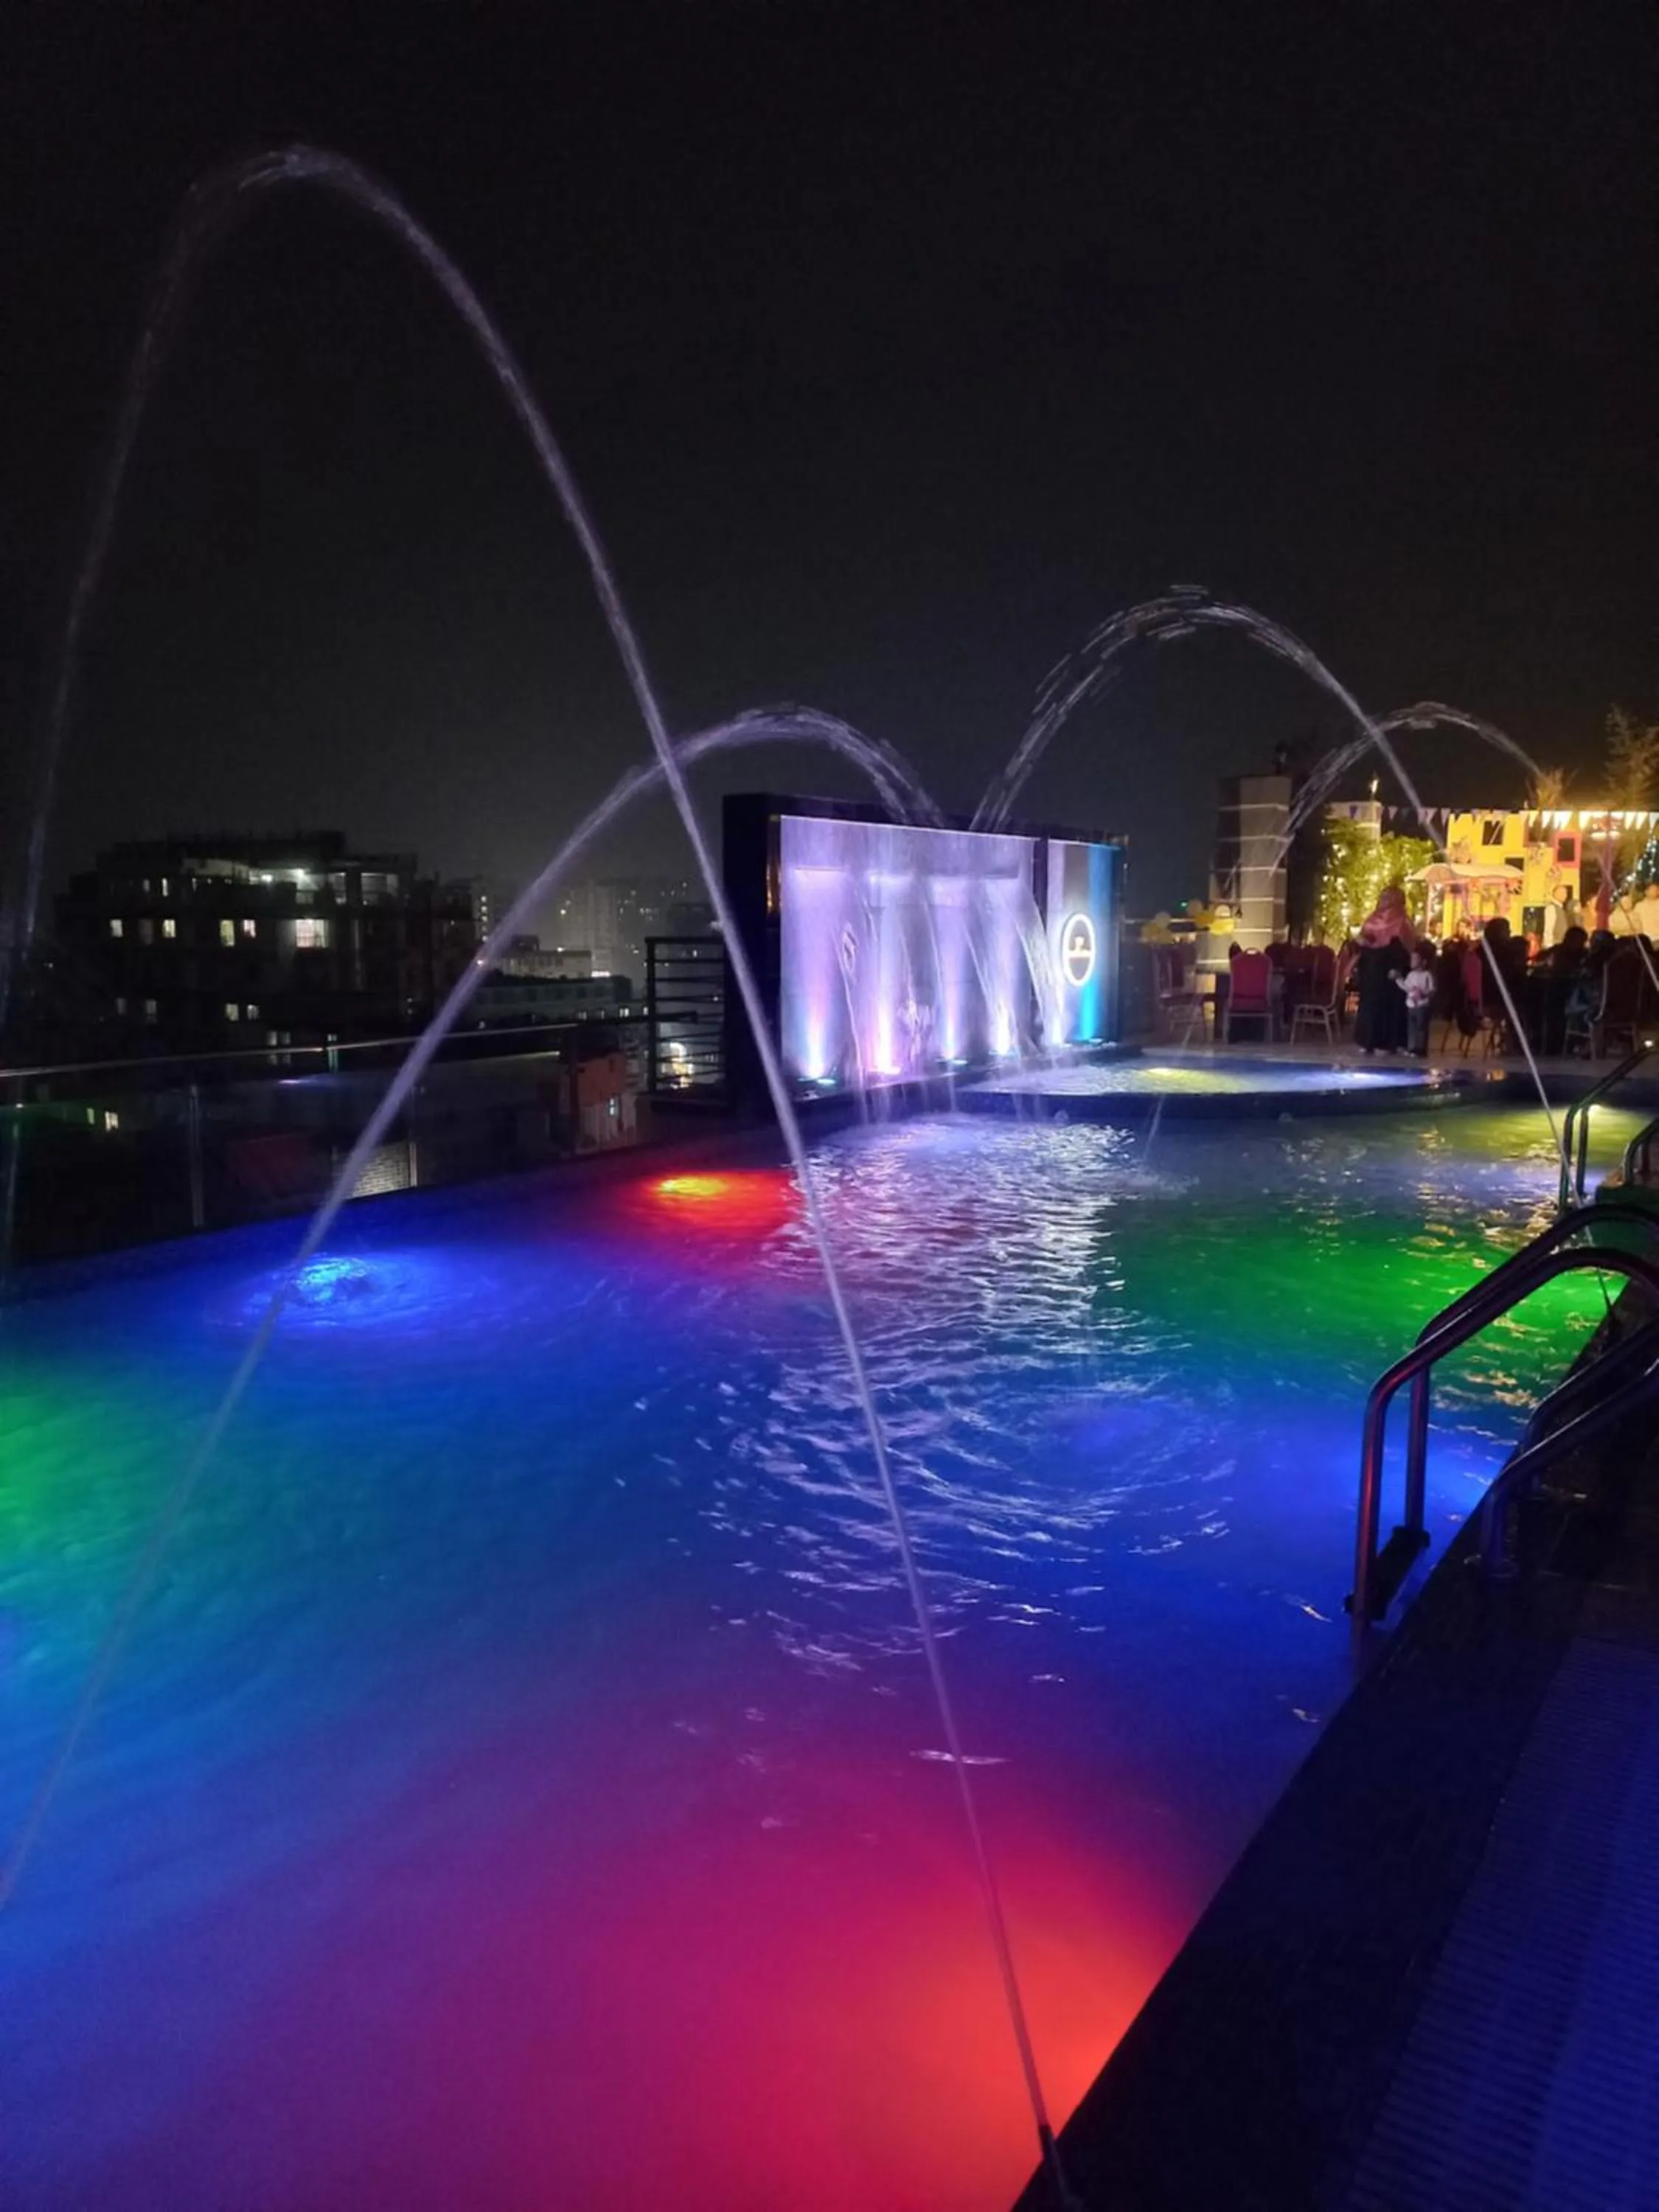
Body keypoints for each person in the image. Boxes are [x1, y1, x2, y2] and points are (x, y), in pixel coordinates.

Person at [1352, 884, 1415, 1053]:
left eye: (1387, 897)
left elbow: (1408, 947)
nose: (1383, 901)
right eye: (1383, 896)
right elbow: (1364, 937)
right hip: (1373, 971)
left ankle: (1386, 1042)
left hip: (1389, 972)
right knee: (1371, 1005)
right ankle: (1369, 1041)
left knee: (1389, 1006)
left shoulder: (1402, 920)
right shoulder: (1374, 918)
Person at [1396, 942, 1436, 1057]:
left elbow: (1432, 989)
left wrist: (1423, 994)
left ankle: (1420, 1048)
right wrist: (1398, 979)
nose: (1412, 961)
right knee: (1411, 1027)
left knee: (1421, 1027)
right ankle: (1412, 1047)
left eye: (1415, 959)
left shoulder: (1427, 975)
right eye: (1412, 959)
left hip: (1422, 1006)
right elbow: (1406, 987)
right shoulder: (1411, 975)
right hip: (1411, 1006)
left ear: (1424, 962)